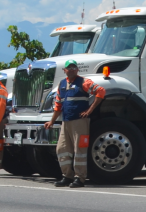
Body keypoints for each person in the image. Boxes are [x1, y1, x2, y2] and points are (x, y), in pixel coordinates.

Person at [44, 59, 106, 188]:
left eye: (74, 68)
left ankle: (80, 178)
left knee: (80, 151)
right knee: (61, 149)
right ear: (64, 70)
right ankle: (67, 176)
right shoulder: (61, 84)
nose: (71, 70)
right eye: (69, 68)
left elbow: (100, 92)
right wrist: (51, 121)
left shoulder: (84, 82)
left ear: (77, 70)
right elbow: (58, 105)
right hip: (65, 122)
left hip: (79, 122)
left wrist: (89, 110)